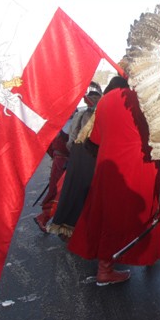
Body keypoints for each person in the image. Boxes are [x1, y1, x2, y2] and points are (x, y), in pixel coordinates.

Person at [67, 76, 160, 286]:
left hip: (108, 165)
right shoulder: (138, 98)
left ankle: (105, 267)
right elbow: (156, 133)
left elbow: (95, 138)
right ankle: (148, 254)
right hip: (139, 164)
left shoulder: (104, 100)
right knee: (145, 211)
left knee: (108, 216)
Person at [47, 82, 103, 240]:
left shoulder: (86, 115)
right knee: (68, 193)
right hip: (82, 158)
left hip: (79, 157)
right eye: (93, 98)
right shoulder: (85, 116)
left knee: (72, 194)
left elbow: (70, 142)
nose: (94, 100)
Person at [33, 122, 71, 233]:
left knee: (59, 192)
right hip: (63, 162)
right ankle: (43, 218)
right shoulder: (66, 125)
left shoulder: (58, 125)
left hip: (60, 160)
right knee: (59, 193)